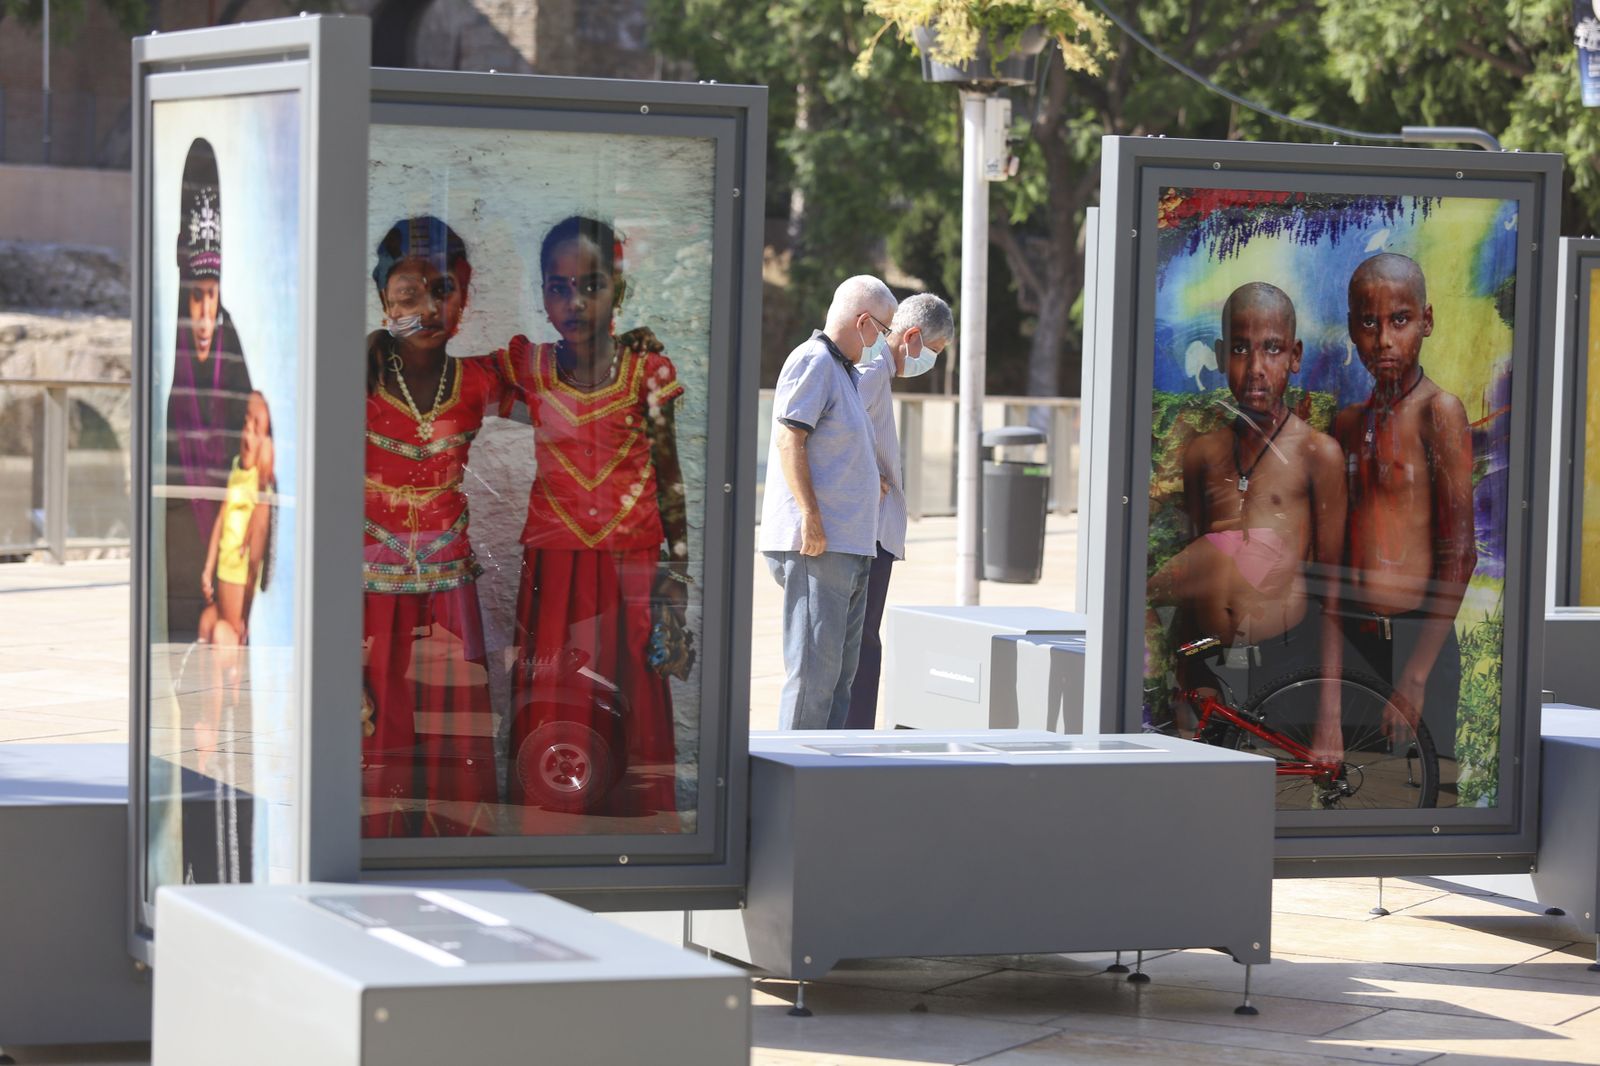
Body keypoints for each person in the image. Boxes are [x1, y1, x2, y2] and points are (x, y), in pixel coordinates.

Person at [502, 215, 689, 823]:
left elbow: (671, 478)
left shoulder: (647, 372)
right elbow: (452, 384)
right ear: (541, 294)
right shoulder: (527, 369)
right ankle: (553, 812)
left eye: (591, 285)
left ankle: (631, 822)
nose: (574, 301)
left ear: (620, 290)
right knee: (557, 690)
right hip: (553, 568)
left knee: (629, 691)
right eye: (557, 288)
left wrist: (673, 581)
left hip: (630, 569)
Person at [1148, 283, 1346, 740]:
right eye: (1240, 349)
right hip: (1212, 665)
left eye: (1272, 349)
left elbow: (1334, 591)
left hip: (1286, 660)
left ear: (1295, 355)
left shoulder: (1318, 454)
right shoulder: (1202, 454)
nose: (1256, 368)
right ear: (1220, 356)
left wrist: (1330, 716)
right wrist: (1188, 670)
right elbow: (1202, 572)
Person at [363, 215, 508, 837]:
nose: (426, 309)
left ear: (465, 295)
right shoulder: (353, 378)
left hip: (451, 589)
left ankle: (460, 855)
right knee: (376, 722)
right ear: (382, 300)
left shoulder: (479, 381)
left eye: (442, 291)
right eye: (406, 297)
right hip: (367, 594)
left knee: (457, 732)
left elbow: (571, 388)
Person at [1331, 253, 1474, 762]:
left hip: (1421, 644)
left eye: (1400, 320)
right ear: (1352, 327)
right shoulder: (1350, 423)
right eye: (1369, 322)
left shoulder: (1440, 412)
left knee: (1421, 800)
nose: (1384, 340)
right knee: (1354, 792)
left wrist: (1414, 676)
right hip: (1358, 643)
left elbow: (1460, 553)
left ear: (1427, 321)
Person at [761, 275, 897, 730]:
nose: (884, 342)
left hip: (850, 546)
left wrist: (866, 478)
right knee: (814, 680)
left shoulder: (843, 372)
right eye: (884, 329)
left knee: (839, 679)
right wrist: (811, 518)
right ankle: (795, 782)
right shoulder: (813, 360)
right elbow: (788, 439)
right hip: (821, 547)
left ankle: (828, 775)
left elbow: (832, 447)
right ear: (863, 322)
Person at [843, 293, 953, 728]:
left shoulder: (875, 377)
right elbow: (837, 438)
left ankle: (854, 732)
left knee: (863, 640)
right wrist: (873, 476)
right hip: (867, 532)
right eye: (934, 352)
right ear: (911, 337)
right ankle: (854, 734)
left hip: (873, 528)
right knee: (864, 642)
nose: (930, 362)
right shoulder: (870, 377)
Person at [163, 137, 253, 644]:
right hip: (180, 512)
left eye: (211, 298)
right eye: (195, 298)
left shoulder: (231, 344)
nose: (203, 316)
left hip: (226, 523)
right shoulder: (170, 344)